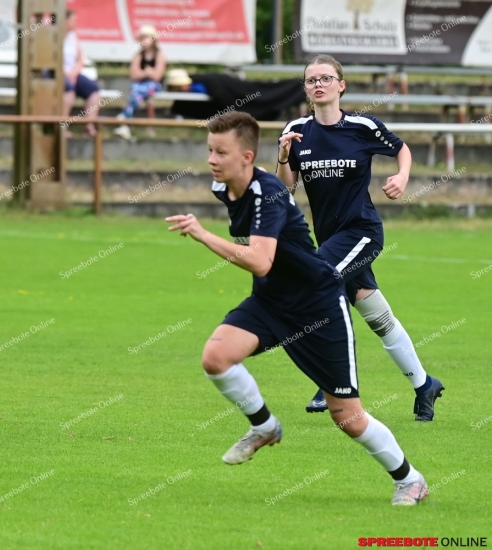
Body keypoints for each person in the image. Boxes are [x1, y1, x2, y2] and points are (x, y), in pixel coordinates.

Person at [165, 111, 429, 505]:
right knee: (216, 357)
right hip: (272, 302)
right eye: (209, 151)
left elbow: (260, 261)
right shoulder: (224, 188)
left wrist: (204, 235)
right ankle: (265, 426)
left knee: (348, 417)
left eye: (221, 152)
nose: (212, 160)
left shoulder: (267, 194)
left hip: (317, 306)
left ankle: (410, 479)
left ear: (247, 156)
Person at [276, 54, 444, 420]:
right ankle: (424, 385)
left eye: (325, 78)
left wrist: (402, 177)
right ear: (305, 88)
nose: (317, 84)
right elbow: (288, 188)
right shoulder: (296, 129)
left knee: (319, 280)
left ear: (341, 84)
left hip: (362, 232)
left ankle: (330, 380)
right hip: (332, 240)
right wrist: (284, 156)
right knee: (377, 316)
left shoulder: (362, 126)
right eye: (310, 80)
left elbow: (401, 149)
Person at [113, 25, 167, 140]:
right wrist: (148, 72)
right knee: (136, 90)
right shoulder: (138, 55)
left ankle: (125, 117)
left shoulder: (160, 54)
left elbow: (157, 76)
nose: (144, 41)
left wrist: (144, 73)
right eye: (142, 38)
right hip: (140, 86)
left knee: (137, 91)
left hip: (154, 86)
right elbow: (134, 75)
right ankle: (125, 124)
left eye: (146, 38)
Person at [63, 9, 101, 136]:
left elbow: (80, 59)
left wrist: (74, 74)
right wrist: (68, 75)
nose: (76, 23)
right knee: (69, 89)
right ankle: (62, 127)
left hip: (73, 74)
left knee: (93, 90)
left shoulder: (73, 36)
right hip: (58, 74)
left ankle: (89, 125)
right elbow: (50, 60)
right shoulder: (52, 35)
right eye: (73, 20)